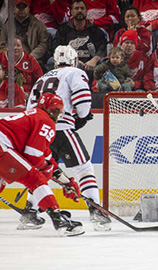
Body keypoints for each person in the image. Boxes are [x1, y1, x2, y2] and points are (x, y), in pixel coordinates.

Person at [25, 45, 111, 231]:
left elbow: (29, 109)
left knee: (41, 173)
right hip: (61, 128)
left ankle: (30, 211)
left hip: (38, 132)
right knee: (84, 168)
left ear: (56, 62)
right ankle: (96, 212)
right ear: (73, 61)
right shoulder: (75, 72)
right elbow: (83, 102)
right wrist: (81, 116)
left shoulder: (41, 78)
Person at [0, 92, 84, 236]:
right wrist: (46, 172)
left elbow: (47, 159)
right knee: (35, 179)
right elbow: (33, 157)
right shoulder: (46, 121)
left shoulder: (35, 116)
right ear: (55, 110)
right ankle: (59, 220)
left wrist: (67, 182)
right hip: (2, 146)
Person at [54, 0, 107, 81]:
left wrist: (94, 59)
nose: (79, 11)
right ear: (71, 12)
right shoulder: (63, 30)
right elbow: (57, 49)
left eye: (82, 8)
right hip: (70, 64)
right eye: (76, 8)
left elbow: (102, 48)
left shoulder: (95, 30)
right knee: (51, 61)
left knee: (105, 62)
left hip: (91, 63)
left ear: (86, 12)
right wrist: (75, 61)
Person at [0, 0, 50, 65]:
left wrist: (30, 57)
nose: (21, 9)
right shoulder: (6, 26)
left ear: (29, 8)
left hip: (33, 59)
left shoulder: (39, 25)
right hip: (11, 60)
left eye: (24, 7)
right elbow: (2, 45)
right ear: (14, 9)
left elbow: (43, 44)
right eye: (19, 7)